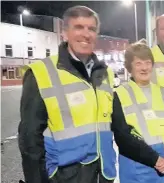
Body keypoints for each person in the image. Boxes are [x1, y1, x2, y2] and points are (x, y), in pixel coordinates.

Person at [18, 6, 118, 183]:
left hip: (103, 174)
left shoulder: (105, 73)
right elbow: (30, 140)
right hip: (64, 177)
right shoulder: (41, 73)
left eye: (92, 29)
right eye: (79, 27)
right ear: (65, 33)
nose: (86, 34)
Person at [113, 41, 164, 183]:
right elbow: (122, 136)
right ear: (129, 67)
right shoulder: (120, 94)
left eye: (148, 63)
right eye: (138, 63)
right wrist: (155, 160)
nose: (144, 68)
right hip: (137, 167)